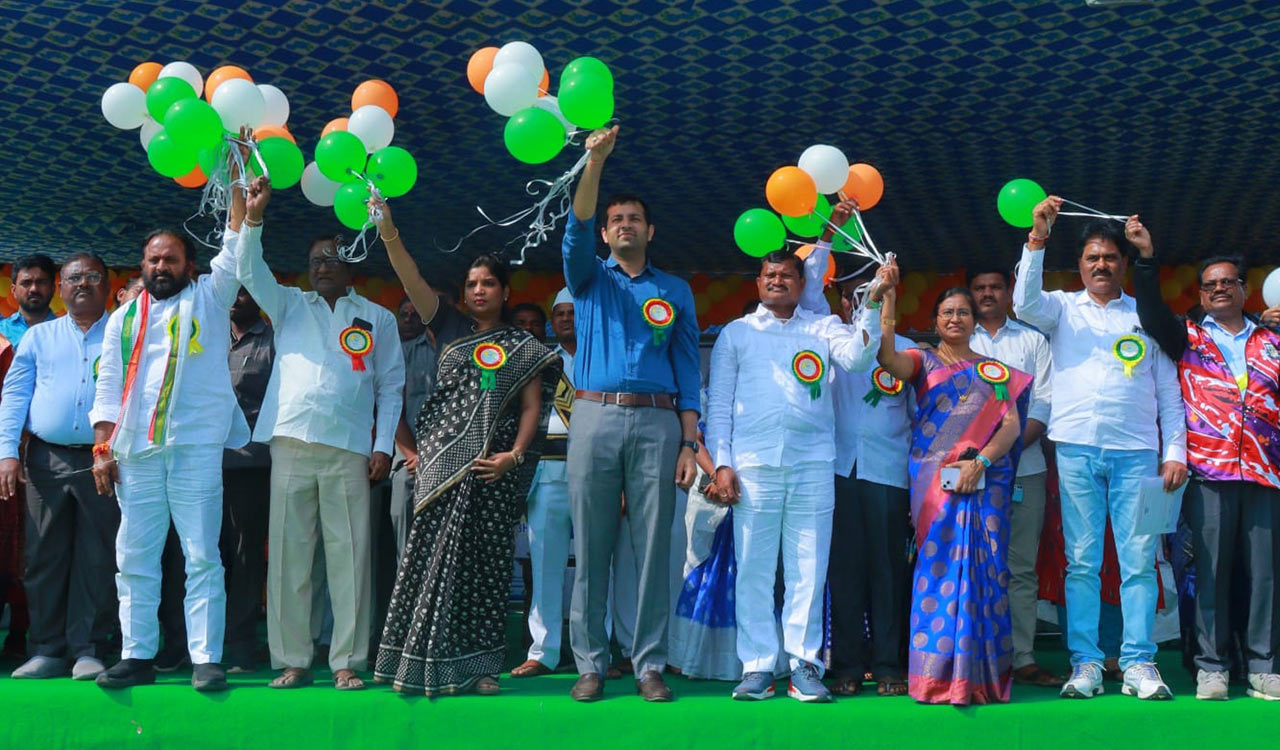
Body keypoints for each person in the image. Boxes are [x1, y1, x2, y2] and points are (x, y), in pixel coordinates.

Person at [369, 196, 561, 696]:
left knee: (486, 569)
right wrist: (388, 229)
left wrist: (513, 457)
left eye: (489, 283)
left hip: (494, 470)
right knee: (430, 561)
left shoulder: (524, 348)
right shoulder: (449, 326)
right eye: (472, 284)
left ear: (504, 290)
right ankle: (419, 660)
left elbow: (531, 408)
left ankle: (479, 670)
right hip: (439, 467)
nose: (479, 290)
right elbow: (410, 278)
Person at [1012, 198, 1187, 701]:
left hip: (1136, 453)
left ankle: (1138, 662)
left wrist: (1174, 449)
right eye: (1092, 258)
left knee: (1138, 561)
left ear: (1124, 264)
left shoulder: (1146, 315)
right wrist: (1037, 239)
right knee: (1082, 561)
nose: (1101, 265)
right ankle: (1086, 662)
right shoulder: (1061, 308)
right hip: (1075, 450)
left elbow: (1170, 393)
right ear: (1081, 265)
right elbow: (1023, 304)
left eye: (1110, 258)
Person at [89, 183, 259, 692]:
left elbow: (234, 246)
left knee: (201, 553)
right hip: (135, 453)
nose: (160, 267)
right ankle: (137, 654)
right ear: (141, 265)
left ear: (189, 265)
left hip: (195, 449)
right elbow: (108, 385)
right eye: (152, 260)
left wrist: (241, 197)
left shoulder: (210, 296)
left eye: (170, 259)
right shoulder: (122, 318)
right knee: (134, 557)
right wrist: (102, 449)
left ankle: (207, 658)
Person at [235, 190, 403, 692]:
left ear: (350, 265)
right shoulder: (288, 304)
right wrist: (255, 217)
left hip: (350, 448)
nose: (322, 266)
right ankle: (293, 658)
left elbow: (390, 385)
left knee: (350, 555)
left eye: (331, 259)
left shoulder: (378, 317)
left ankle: (347, 659)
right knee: (288, 554)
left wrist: (383, 448)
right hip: (289, 442)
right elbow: (247, 267)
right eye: (314, 261)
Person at [707, 249, 887, 702]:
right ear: (758, 282)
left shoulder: (824, 328)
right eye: (770, 275)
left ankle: (805, 664)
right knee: (754, 568)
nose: (778, 281)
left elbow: (859, 360)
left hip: (812, 463)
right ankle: (757, 666)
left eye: (787, 275)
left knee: (809, 568)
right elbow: (719, 405)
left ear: (802, 284)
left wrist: (876, 303)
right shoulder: (737, 333)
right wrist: (723, 462)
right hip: (753, 467)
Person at [561, 126, 700, 703]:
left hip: (658, 423)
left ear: (650, 231)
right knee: (591, 547)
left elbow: (690, 368)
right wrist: (594, 163)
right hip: (593, 417)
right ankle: (590, 663)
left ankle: (648, 665)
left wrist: (691, 442)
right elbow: (575, 230)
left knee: (653, 547)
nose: (624, 225)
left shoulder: (676, 289)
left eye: (634, 219)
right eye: (615, 219)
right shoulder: (588, 276)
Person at [1133, 243, 1280, 701]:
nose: (1219, 289)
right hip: (1209, 474)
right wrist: (1144, 260)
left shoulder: (1271, 340)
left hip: (1265, 475)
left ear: (1244, 289)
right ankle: (1212, 667)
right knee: (1210, 571)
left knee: (1267, 574)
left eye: (1227, 282)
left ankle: (1264, 666)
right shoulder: (1187, 336)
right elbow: (1151, 313)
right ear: (1201, 293)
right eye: (1210, 284)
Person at [877, 284, 1031, 705]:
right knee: (938, 572)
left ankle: (981, 679)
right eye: (947, 312)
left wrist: (979, 463)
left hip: (984, 483)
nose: (955, 319)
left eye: (963, 312)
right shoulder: (922, 361)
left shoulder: (994, 371)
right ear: (935, 321)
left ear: (974, 320)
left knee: (987, 572)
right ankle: (936, 678)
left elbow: (1012, 427)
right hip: (934, 484)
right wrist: (889, 298)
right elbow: (885, 359)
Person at [800, 202, 916, 697]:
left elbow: (921, 418)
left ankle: (890, 665)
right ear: (845, 301)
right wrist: (830, 232)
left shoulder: (911, 349)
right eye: (855, 295)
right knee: (843, 571)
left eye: (872, 293)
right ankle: (846, 665)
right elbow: (808, 290)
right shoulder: (830, 338)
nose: (861, 301)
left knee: (888, 573)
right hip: (838, 473)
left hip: (890, 472)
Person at [0, 254, 117, 681]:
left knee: (97, 554)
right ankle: (47, 650)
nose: (82, 284)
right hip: (45, 458)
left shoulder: (124, 332)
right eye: (73, 278)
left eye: (92, 277)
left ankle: (88, 648)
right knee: (43, 555)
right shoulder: (37, 338)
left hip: (103, 458)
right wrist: (7, 453)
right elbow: (14, 398)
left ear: (106, 286)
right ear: (60, 287)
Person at [966, 264, 1059, 687]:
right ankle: (975, 657)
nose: (987, 293)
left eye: (995, 286)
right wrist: (980, 459)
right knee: (972, 564)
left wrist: (1003, 453)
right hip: (968, 475)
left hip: (1026, 468)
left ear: (1009, 294)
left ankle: (1022, 656)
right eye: (980, 287)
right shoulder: (958, 338)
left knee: (1020, 568)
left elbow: (1044, 403)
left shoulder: (1033, 340)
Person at [511, 288, 577, 678]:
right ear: (552, 322)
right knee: (545, 564)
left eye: (573, 313)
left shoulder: (598, 357)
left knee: (595, 567)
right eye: (560, 314)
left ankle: (594, 650)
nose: (567, 319)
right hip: (547, 471)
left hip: (592, 472)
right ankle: (544, 651)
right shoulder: (540, 361)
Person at [219, 287, 275, 672]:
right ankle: (195, 642)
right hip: (201, 463)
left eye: (245, 290)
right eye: (231, 290)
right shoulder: (203, 333)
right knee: (205, 554)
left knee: (244, 555)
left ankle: (239, 643)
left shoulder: (275, 342)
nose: (236, 297)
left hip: (251, 466)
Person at [390, 297, 437, 558]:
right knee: (401, 514)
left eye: (415, 313)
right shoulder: (400, 353)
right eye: (403, 314)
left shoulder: (459, 349)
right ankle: (405, 592)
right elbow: (392, 407)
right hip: (409, 458)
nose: (408, 319)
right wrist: (412, 455)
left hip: (449, 455)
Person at [0, 254, 57, 346]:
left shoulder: (68, 333)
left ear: (53, 289)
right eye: (26, 283)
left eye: (41, 282)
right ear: (14, 290)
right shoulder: (2, 332)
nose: (34, 289)